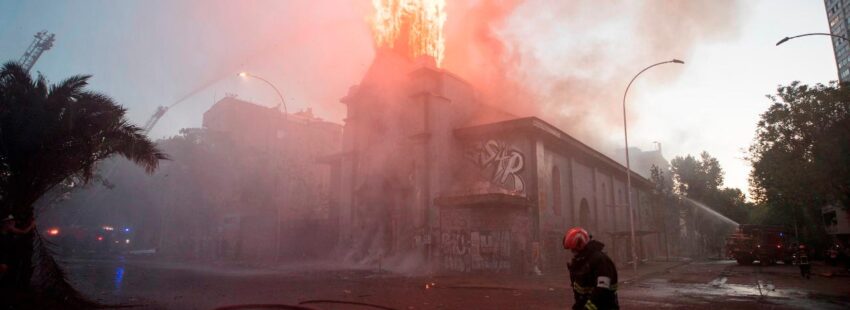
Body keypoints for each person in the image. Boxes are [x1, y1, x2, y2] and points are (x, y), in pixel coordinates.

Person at [564, 227, 619, 310]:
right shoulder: (580, 262)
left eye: (574, 249)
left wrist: (588, 308)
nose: (573, 252)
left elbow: (602, 289)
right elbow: (579, 292)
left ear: (580, 245)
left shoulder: (600, 260)